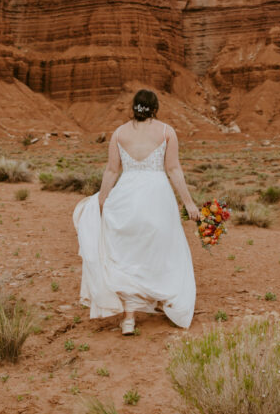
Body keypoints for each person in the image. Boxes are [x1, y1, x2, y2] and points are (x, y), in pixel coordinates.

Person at [73, 88, 199, 335]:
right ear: (155, 108)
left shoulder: (119, 133)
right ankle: (164, 300)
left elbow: (111, 170)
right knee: (161, 249)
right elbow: (173, 169)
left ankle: (129, 318)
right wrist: (188, 202)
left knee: (128, 255)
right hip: (157, 196)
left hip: (126, 196)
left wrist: (102, 199)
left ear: (134, 107)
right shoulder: (166, 132)